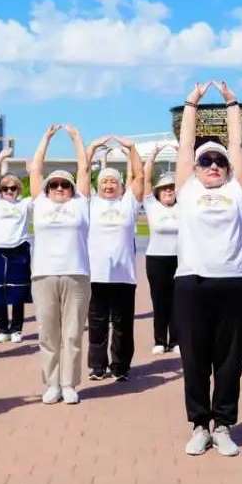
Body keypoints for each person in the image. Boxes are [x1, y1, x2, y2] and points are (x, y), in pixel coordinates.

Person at [173, 81, 242, 457]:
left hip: (235, 281)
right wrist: (192, 103)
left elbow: (237, 146)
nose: (212, 166)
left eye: (218, 161)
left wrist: (231, 105)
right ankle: (198, 425)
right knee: (194, 358)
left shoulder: (237, 191)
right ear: (195, 167)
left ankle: (222, 425)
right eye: (205, 161)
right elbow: (186, 144)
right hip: (192, 282)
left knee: (228, 359)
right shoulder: (186, 190)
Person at [29, 124, 92, 405]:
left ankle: (69, 383)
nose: (58, 188)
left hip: (76, 274)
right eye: (53, 184)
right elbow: (35, 170)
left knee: (73, 333)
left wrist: (77, 138)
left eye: (64, 184)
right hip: (43, 275)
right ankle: (51, 383)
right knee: (48, 333)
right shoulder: (40, 204)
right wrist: (46, 138)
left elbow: (85, 169)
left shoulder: (81, 204)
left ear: (72, 189)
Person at [84, 135, 144, 382]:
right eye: (105, 181)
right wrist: (91, 148)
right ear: (98, 186)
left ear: (121, 186)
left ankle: (120, 367)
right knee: (96, 324)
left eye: (113, 181)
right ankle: (97, 366)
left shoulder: (128, 203)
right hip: (96, 275)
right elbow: (83, 172)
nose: (109, 185)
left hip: (124, 276)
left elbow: (140, 177)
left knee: (122, 326)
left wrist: (131, 148)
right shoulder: (90, 204)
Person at [0, 147, 31, 343]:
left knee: (18, 291)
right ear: (0, 191)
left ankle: (17, 329)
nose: (9, 191)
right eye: (5, 188)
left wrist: (32, 171)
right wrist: (0, 158)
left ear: (18, 189)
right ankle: (2, 328)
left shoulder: (25, 204)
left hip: (19, 249)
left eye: (13, 188)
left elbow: (40, 192)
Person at [143, 144, 179, 355]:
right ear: (158, 192)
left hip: (179, 258)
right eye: (164, 188)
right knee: (159, 300)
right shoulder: (152, 205)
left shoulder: (183, 205)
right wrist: (153, 155)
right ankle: (159, 340)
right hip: (156, 259)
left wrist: (183, 154)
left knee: (178, 301)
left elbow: (190, 179)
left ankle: (175, 341)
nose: (168, 191)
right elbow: (146, 180)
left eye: (172, 188)